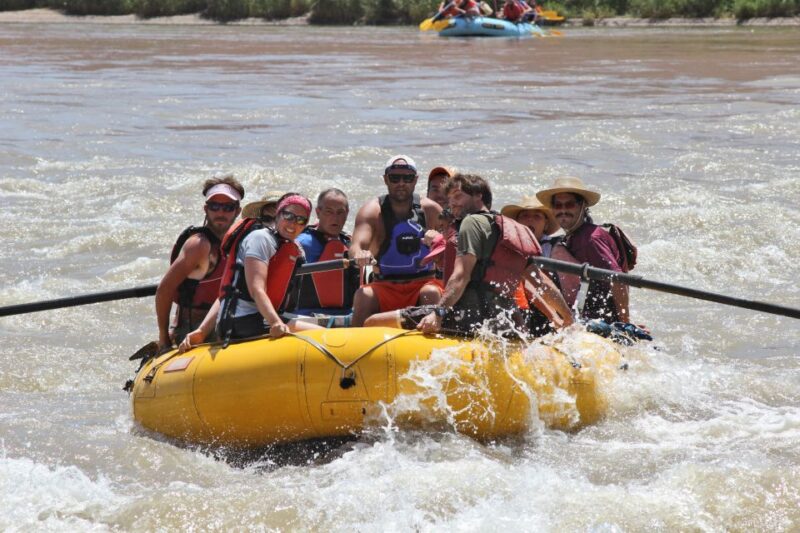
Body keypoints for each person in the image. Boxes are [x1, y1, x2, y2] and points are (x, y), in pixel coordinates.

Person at [373, 174, 573, 336]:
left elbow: (461, 276)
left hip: (465, 319)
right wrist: (567, 318)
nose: (452, 203)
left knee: (373, 322)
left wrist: (439, 313)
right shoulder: (510, 228)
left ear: (478, 195)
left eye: (458, 196)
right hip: (506, 323)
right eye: (450, 199)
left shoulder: (471, 223)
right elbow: (541, 282)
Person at [178, 193, 321, 351]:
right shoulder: (259, 239)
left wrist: (202, 331)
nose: (293, 223)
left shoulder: (293, 248)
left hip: (262, 316)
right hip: (240, 321)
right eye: (288, 215)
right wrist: (275, 322)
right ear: (277, 215)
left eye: (301, 220)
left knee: (324, 324)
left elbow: (227, 292)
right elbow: (255, 289)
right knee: (321, 335)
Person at [349, 155, 444, 327]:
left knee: (431, 293)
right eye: (395, 178)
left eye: (407, 178)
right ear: (386, 179)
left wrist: (439, 240)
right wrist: (360, 254)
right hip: (384, 285)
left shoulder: (431, 210)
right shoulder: (371, 211)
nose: (401, 183)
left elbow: (454, 247)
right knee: (363, 296)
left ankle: (434, 337)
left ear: (415, 180)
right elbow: (356, 245)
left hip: (423, 284)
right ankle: (353, 346)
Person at [155, 175, 244, 352]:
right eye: (215, 206)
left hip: (228, 318)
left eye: (228, 207)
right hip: (194, 328)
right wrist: (164, 338)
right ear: (206, 209)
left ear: (237, 211)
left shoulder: (241, 239)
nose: (221, 213)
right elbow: (164, 290)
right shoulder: (199, 245)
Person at [537, 176, 630, 323]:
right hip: (585, 315)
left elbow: (618, 279)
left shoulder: (591, 239)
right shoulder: (574, 236)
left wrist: (626, 323)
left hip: (603, 322)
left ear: (583, 206)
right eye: (558, 206)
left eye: (569, 205)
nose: (563, 210)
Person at [294, 188, 359, 316]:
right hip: (308, 315)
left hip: (347, 315)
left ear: (347, 214)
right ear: (318, 213)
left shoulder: (350, 243)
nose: (335, 218)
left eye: (340, 212)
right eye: (329, 212)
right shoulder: (302, 242)